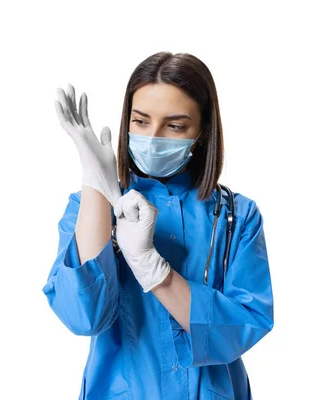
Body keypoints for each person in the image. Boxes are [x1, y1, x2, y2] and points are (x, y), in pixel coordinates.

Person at [42, 51, 274, 400]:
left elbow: (243, 327)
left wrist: (153, 268)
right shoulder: (92, 207)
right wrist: (95, 186)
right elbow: (84, 318)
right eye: (140, 121)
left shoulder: (235, 216)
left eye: (175, 125)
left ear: (203, 130)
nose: (153, 136)